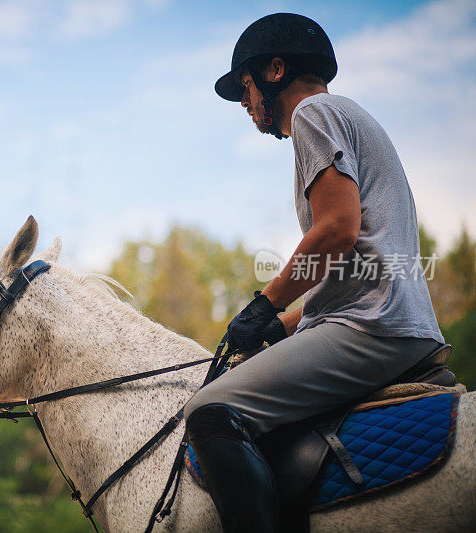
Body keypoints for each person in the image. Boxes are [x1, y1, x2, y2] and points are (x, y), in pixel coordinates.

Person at [183, 13, 445, 532]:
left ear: (275, 71)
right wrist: (276, 329)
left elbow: (337, 231)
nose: (245, 103)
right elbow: (355, 264)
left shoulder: (313, 114)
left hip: (374, 327)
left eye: (245, 86)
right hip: (386, 318)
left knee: (209, 410)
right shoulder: (350, 116)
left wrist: (265, 303)